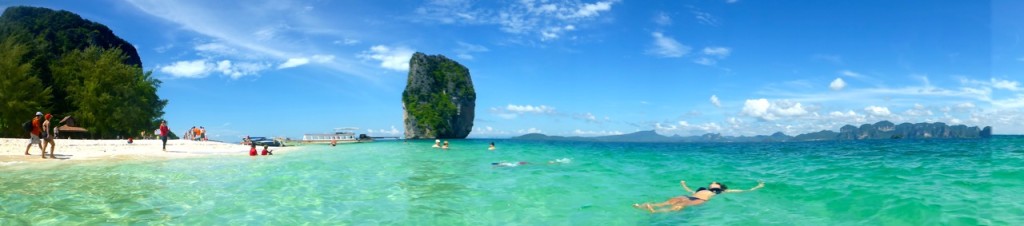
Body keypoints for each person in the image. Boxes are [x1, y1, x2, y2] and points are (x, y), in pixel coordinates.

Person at [633, 180, 765, 213]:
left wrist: (756, 187)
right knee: (673, 200)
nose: (713, 183)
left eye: (716, 183)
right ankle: (647, 206)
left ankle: (656, 212)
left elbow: (740, 191)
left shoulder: (720, 192)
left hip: (700, 200)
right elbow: (690, 190)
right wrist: (683, 184)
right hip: (689, 196)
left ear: (719, 187)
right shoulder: (702, 189)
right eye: (712, 183)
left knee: (680, 205)